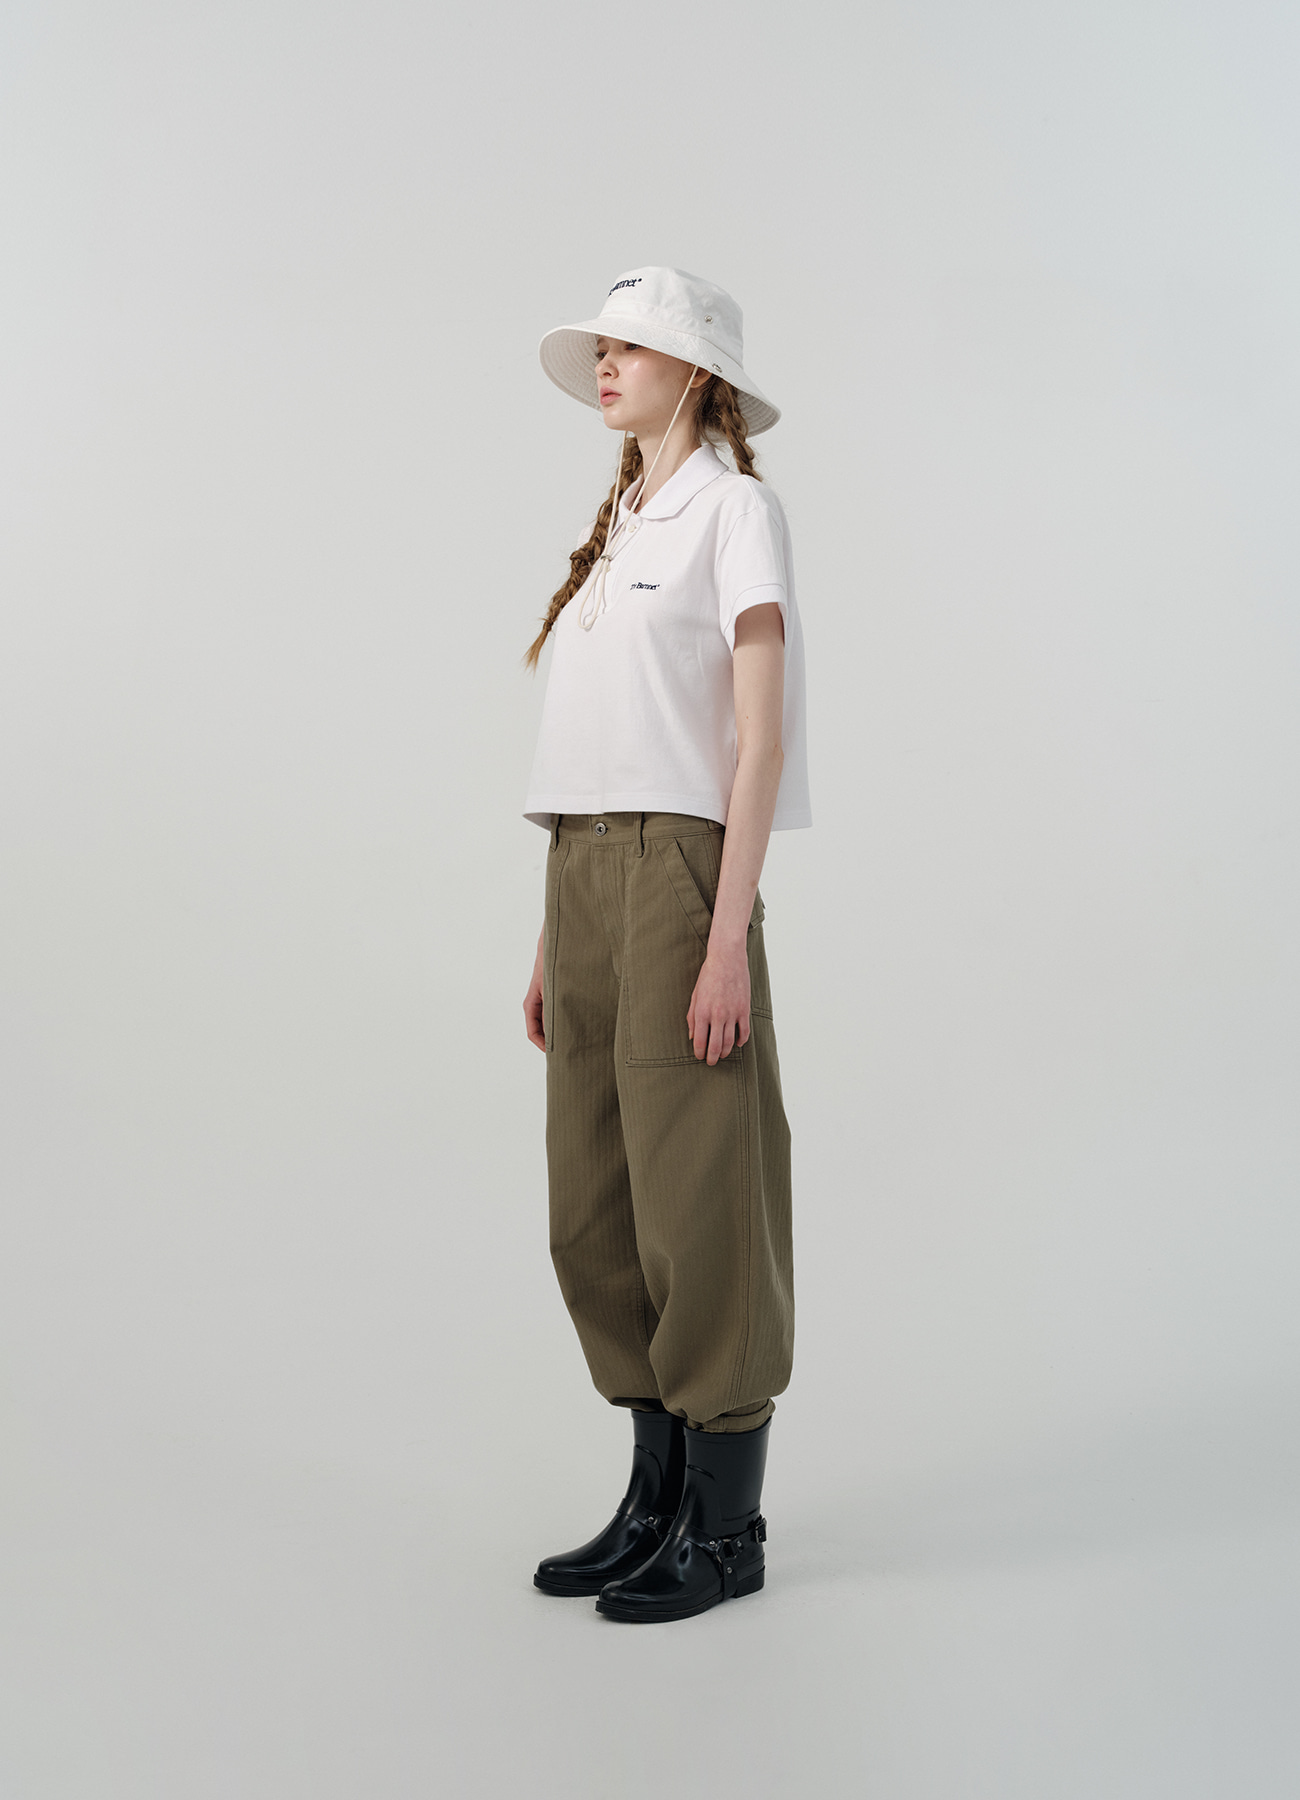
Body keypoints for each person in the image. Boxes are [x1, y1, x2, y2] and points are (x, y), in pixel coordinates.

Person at [521, 267, 810, 1623]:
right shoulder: (621, 525)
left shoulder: (735, 511)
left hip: (682, 871)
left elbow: (759, 741)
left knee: (697, 1188)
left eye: (632, 347)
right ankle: (655, 1501)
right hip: (582, 871)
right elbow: (594, 744)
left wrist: (727, 935)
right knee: (594, 1198)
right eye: (603, 346)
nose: (607, 363)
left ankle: (724, 1528)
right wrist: (549, 937)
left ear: (694, 373)